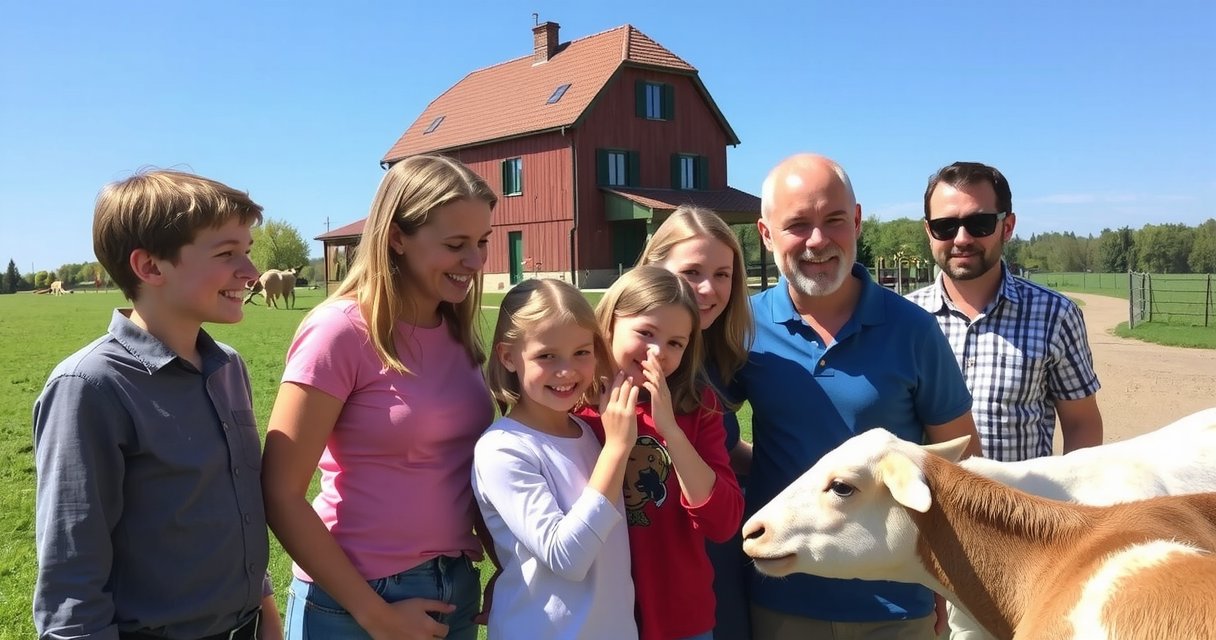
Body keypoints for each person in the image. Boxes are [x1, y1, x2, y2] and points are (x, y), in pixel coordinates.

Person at [734, 154, 982, 640]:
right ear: (765, 234)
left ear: (857, 221)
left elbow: (960, 459)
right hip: (782, 597)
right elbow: (706, 435)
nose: (818, 241)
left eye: (833, 221)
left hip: (895, 603)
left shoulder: (913, 329)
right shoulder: (742, 328)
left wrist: (946, 580)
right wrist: (767, 466)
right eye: (797, 225)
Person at [33, 169, 281, 639]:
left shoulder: (229, 368)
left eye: (247, 252)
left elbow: (235, 507)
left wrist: (266, 612)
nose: (249, 273)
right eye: (228, 254)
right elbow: (71, 578)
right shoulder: (89, 386)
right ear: (150, 268)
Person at [261, 154, 496, 640]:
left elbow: (464, 472)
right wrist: (375, 614)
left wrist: (506, 567)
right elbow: (281, 492)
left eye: (482, 243)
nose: (474, 262)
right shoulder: (339, 331)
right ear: (396, 237)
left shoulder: (457, 332)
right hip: (353, 601)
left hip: (454, 588)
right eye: (456, 245)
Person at [578, 266, 744, 640]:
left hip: (679, 618)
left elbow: (722, 523)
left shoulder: (698, 407)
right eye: (645, 333)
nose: (658, 353)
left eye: (675, 343)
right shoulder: (574, 403)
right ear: (608, 324)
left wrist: (669, 428)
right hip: (593, 617)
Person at [472, 278, 639, 640]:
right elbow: (568, 558)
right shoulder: (503, 448)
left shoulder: (586, 431)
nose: (567, 371)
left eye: (582, 352)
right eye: (547, 356)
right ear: (507, 356)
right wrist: (616, 448)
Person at [906, 161, 1102, 462]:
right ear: (929, 231)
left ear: (1007, 227)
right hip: (932, 508)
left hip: (1022, 506)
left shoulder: (1056, 315)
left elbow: (1081, 422)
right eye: (945, 226)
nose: (961, 239)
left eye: (979, 224)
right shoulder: (904, 317)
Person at [636, 205, 753, 640]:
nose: (708, 289)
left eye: (723, 274)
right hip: (649, 563)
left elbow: (721, 448)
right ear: (652, 269)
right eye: (691, 272)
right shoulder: (628, 363)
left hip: (715, 553)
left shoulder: (723, 355)